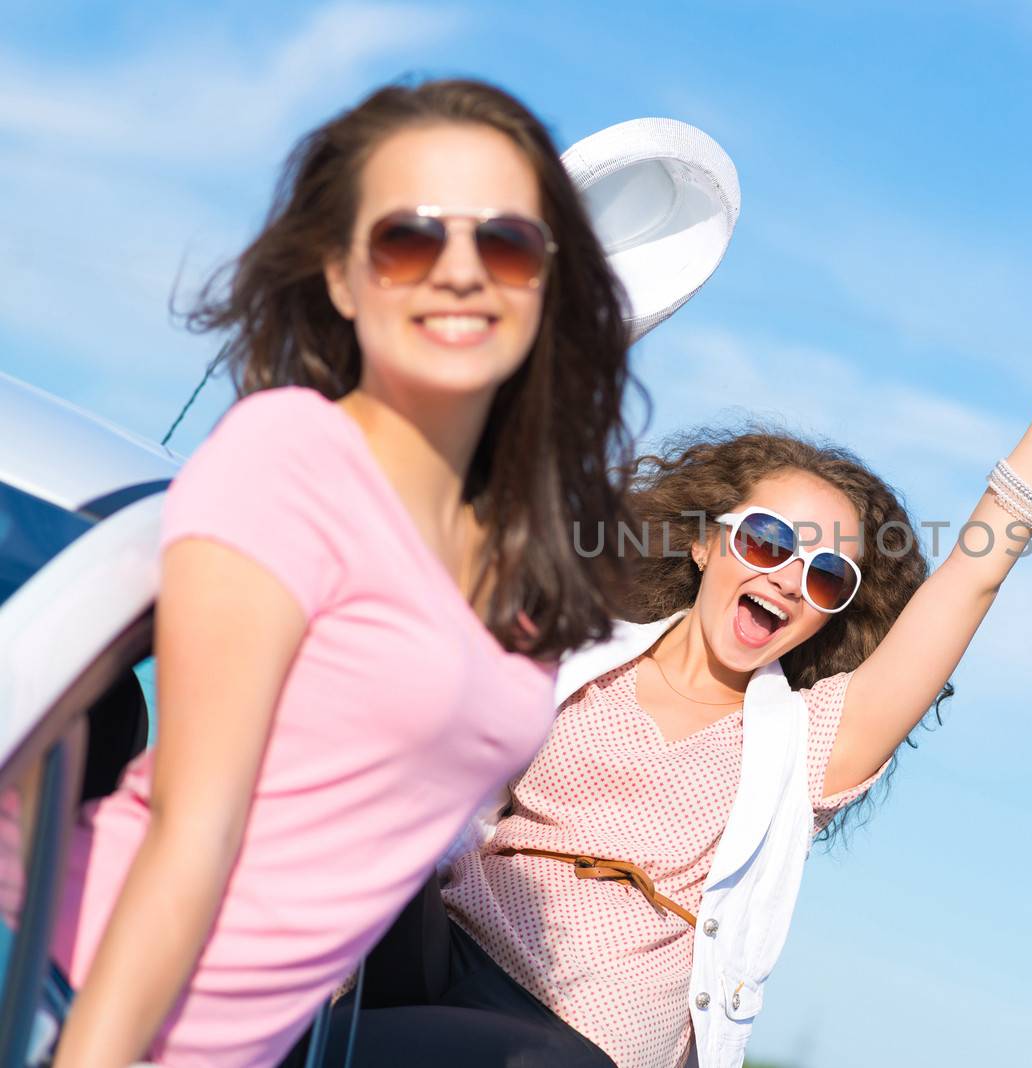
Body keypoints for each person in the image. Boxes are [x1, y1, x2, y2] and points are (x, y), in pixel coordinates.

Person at [305, 248, 1032, 1068]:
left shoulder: (806, 745)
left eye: (826, 573)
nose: (789, 578)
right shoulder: (581, 646)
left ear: (828, 616)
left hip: (565, 1044)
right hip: (436, 945)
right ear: (708, 545)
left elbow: (976, 573)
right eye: (765, 543)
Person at [48, 77, 635, 1068]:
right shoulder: (293, 457)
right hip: (83, 1003)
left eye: (504, 243)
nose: (460, 272)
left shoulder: (520, 554)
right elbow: (193, 837)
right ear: (341, 277)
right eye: (409, 238)